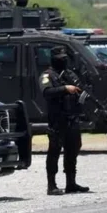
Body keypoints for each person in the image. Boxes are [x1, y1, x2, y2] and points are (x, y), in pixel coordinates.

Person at [39, 46, 90, 195]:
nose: (63, 61)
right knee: (54, 151)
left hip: (72, 118)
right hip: (57, 120)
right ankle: (51, 185)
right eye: (60, 59)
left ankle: (71, 183)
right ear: (54, 60)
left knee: (73, 149)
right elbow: (47, 92)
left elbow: (79, 89)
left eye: (64, 59)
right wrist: (65, 88)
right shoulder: (47, 76)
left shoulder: (69, 74)